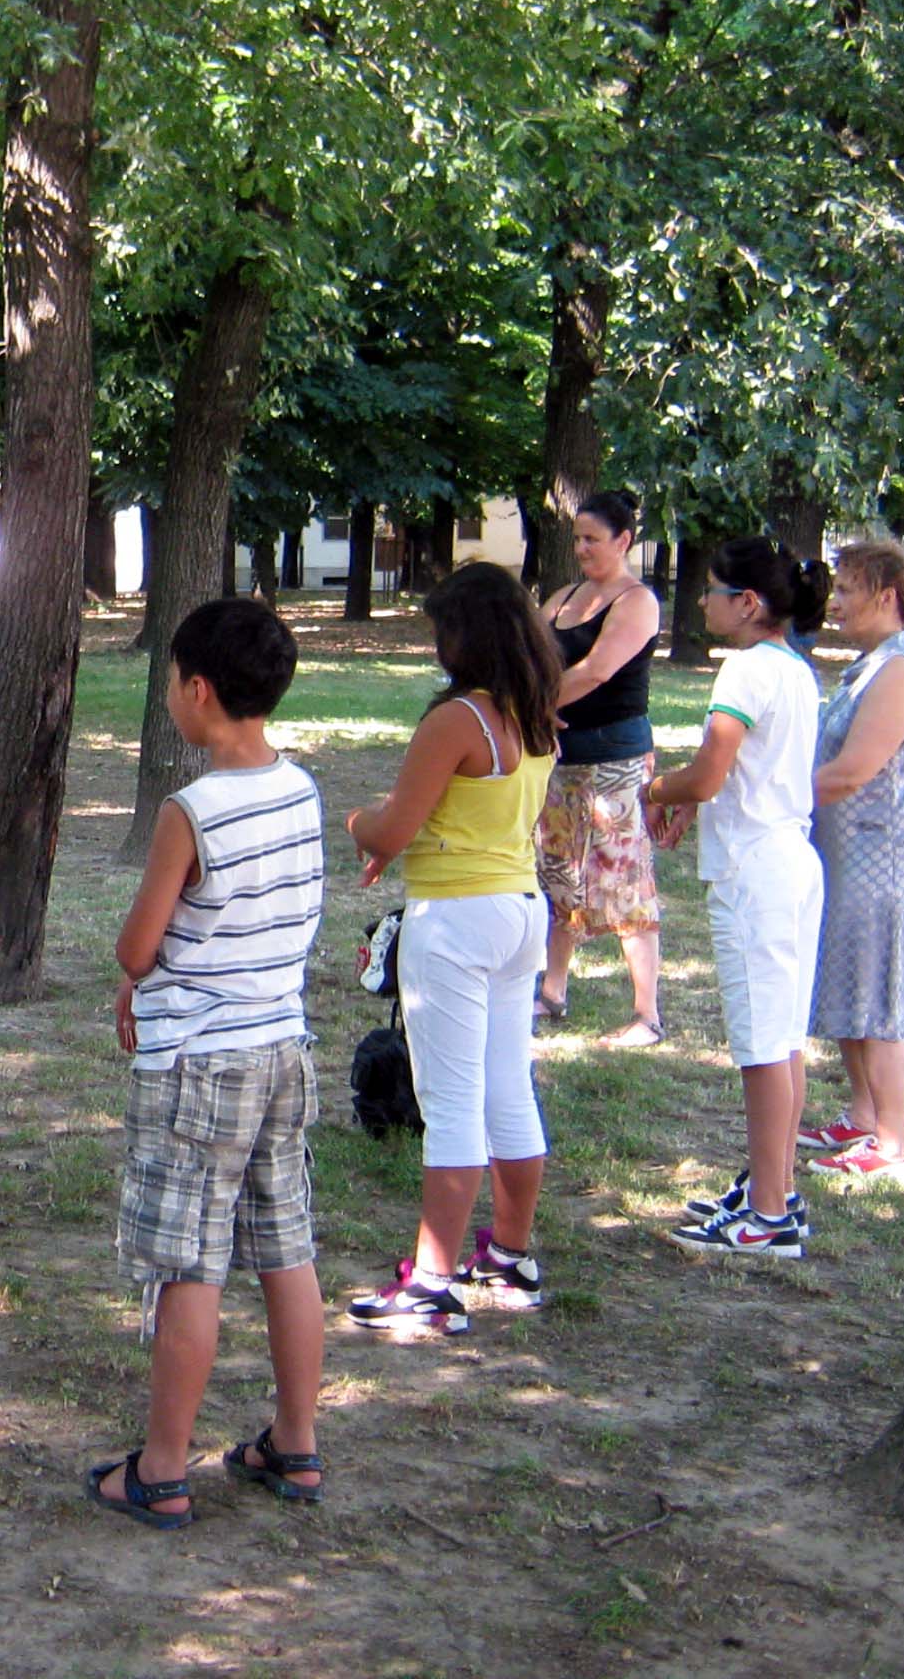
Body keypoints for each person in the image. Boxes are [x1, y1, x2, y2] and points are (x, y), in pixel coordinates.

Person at [87, 600, 327, 1529]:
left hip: (198, 1066)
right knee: (287, 1247)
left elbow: (136, 946)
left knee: (189, 1262)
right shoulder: (300, 790)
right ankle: (296, 1443)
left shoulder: (191, 812)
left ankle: (162, 1470)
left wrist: (133, 975)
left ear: (197, 690)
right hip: (282, 1050)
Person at [346, 562, 559, 1336]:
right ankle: (509, 1255)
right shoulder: (536, 716)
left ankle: (431, 1284)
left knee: (450, 1103)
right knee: (508, 1090)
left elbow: (393, 827)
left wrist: (359, 823)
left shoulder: (457, 720)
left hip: (457, 921)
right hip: (520, 911)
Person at [649, 539, 828, 1258]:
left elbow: (707, 773)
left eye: (713, 590)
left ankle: (767, 1213)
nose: (702, 601)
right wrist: (694, 799)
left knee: (760, 1046)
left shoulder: (746, 669)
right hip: (790, 861)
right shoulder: (794, 668)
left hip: (756, 872)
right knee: (782, 1040)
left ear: (748, 603)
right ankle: (774, 1190)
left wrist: (655, 789)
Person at [800, 541, 904, 1181]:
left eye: (848, 588)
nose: (836, 601)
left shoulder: (902, 668)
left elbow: (855, 771)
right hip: (851, 853)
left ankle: (893, 1144)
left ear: (886, 595)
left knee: (880, 997)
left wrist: (772, 799)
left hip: (887, 857)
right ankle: (862, 1115)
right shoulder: (871, 663)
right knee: (852, 982)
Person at [535, 493, 666, 1045]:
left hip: (615, 760)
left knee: (623, 879)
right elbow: (531, 656)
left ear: (624, 541)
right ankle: (552, 991)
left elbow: (596, 670)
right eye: (577, 538)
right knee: (556, 873)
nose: (582, 548)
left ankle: (646, 1015)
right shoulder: (563, 598)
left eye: (592, 538)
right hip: (560, 761)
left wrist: (534, 706)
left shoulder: (638, 601)